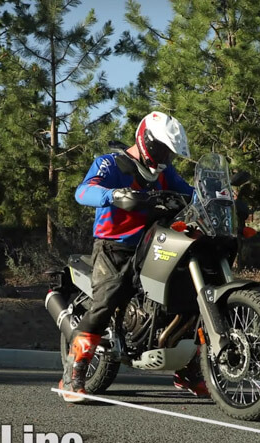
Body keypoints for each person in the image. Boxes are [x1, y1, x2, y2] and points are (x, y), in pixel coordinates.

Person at [58, 111, 209, 403]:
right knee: (107, 299)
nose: (165, 155)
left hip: (153, 245)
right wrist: (113, 195)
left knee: (190, 296)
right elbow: (83, 191)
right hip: (114, 246)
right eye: (162, 148)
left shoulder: (164, 172)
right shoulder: (111, 163)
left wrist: (216, 197)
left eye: (169, 151)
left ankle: (189, 369)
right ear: (147, 140)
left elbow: (190, 194)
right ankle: (73, 373)